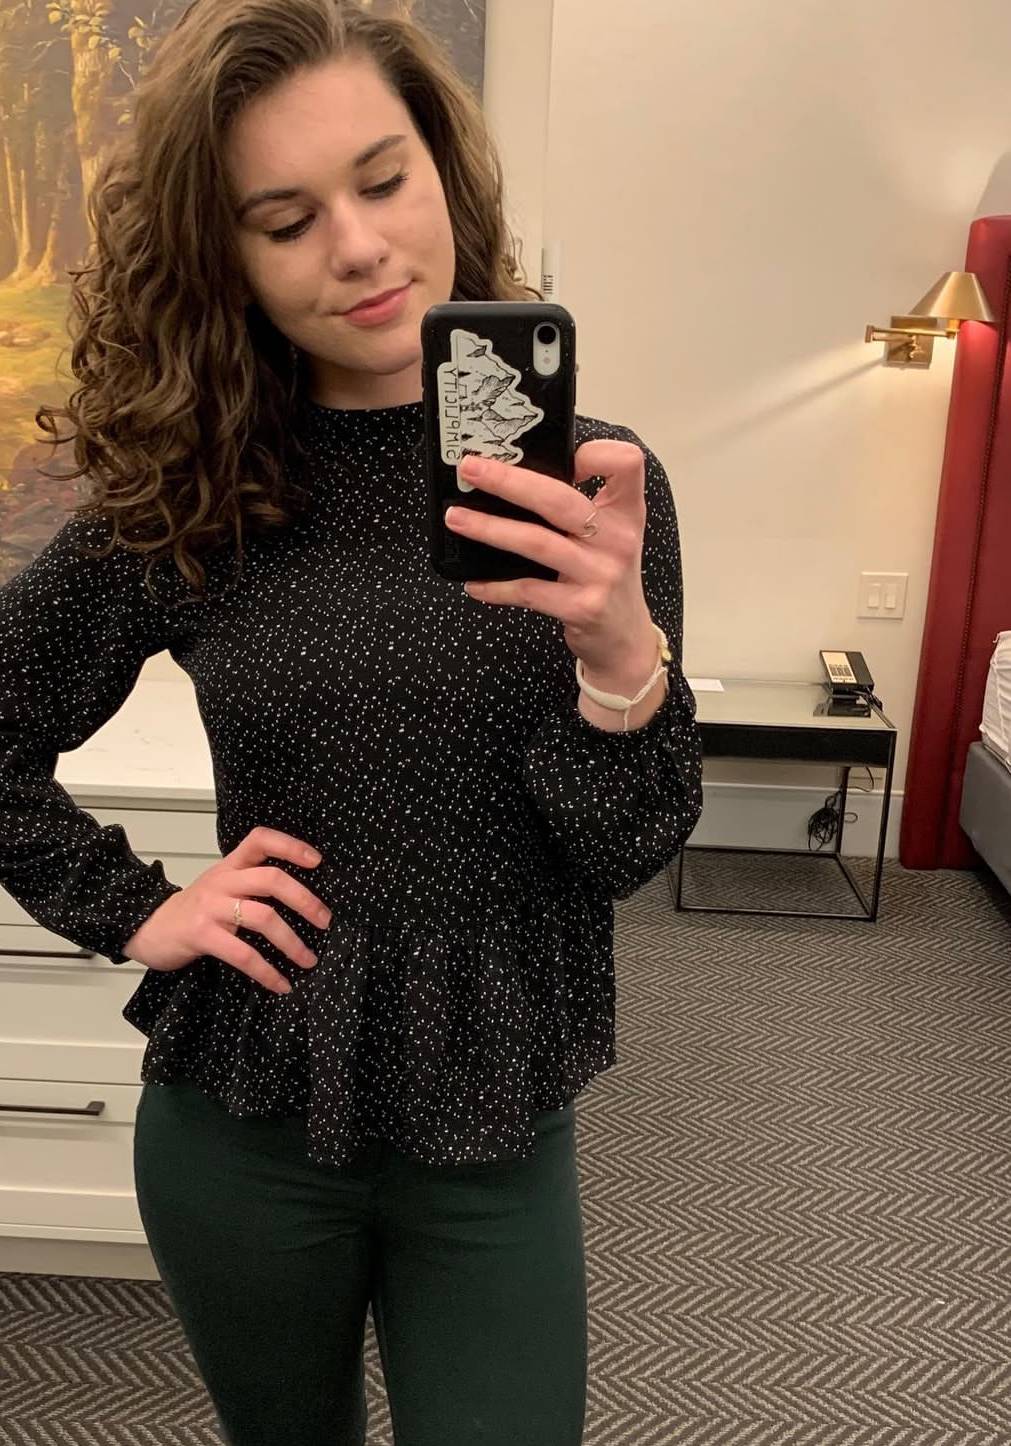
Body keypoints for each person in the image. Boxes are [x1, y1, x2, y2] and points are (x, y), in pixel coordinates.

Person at [0, 2, 703, 1442]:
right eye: (287, 218)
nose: (362, 247)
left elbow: (624, 846)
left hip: (495, 1129)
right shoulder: (198, 490)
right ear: (229, 259)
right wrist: (137, 909)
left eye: (384, 181)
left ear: (444, 171)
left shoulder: (595, 486)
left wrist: (621, 653)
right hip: (244, 1121)